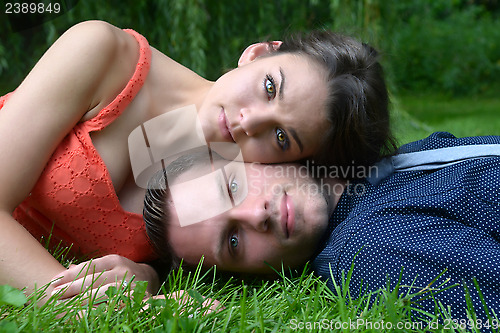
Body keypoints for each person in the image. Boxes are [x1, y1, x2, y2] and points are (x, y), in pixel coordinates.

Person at [0, 20, 393, 298]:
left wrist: (147, 277)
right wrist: (71, 301)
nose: (247, 121)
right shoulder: (101, 54)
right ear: (258, 53)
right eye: (270, 87)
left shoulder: (239, 199)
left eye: (281, 136)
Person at [143, 132, 500, 321]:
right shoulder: (371, 248)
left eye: (232, 188)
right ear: (249, 275)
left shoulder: (377, 169)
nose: (256, 215)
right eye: (234, 241)